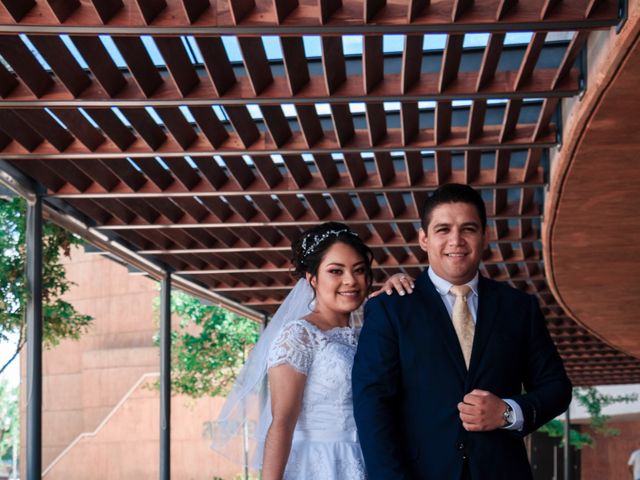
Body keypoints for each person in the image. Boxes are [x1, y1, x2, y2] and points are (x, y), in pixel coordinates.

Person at [352, 183, 573, 480]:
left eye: (468, 229)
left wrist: (507, 412)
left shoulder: (519, 308)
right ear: (423, 238)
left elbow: (557, 388)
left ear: (485, 237)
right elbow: (372, 404)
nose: (456, 240)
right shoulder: (391, 309)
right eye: (443, 229)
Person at [212, 221, 411, 480]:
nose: (350, 281)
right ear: (312, 278)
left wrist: (395, 293)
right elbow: (282, 422)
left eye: (359, 270)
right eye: (336, 271)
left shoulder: (368, 333)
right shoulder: (300, 335)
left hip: (370, 460)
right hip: (320, 465)